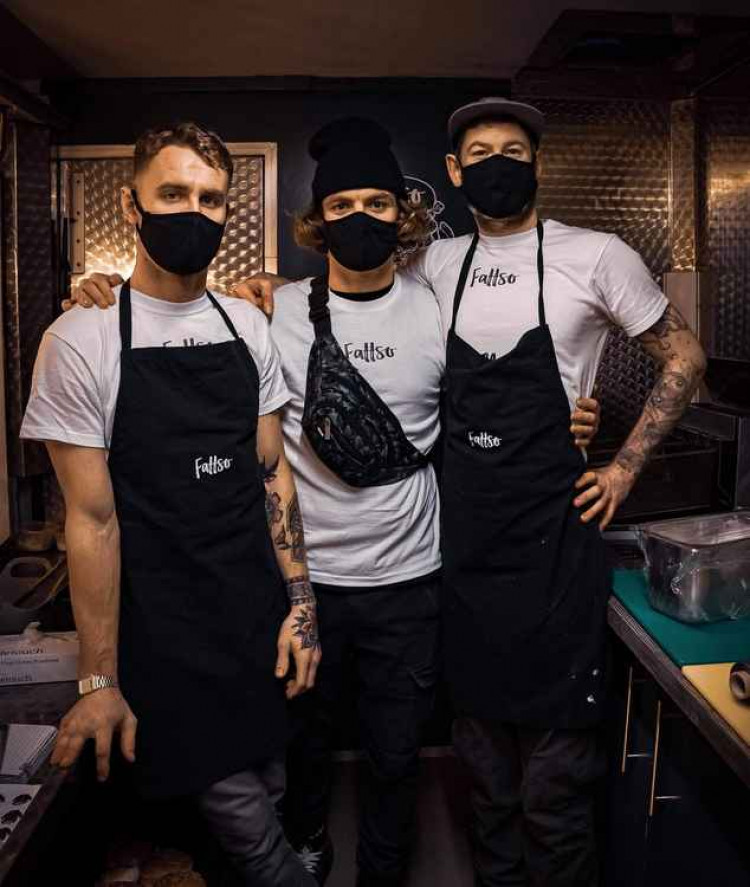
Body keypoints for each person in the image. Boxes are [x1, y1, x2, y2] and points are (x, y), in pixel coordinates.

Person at [66, 117, 601, 887]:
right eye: (342, 204)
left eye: (378, 203)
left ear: (403, 215)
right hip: (302, 587)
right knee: (302, 752)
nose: (361, 218)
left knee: (393, 756)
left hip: (412, 580)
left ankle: (383, 871)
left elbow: (505, 382)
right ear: (318, 221)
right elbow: (175, 312)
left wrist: (580, 413)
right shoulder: (264, 312)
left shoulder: (437, 304)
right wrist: (101, 291)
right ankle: (308, 854)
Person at [21, 122, 319, 886]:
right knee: (248, 829)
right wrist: (98, 679)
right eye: (173, 193)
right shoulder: (81, 337)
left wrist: (300, 604)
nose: (194, 211)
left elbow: (271, 472)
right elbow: (90, 521)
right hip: (164, 632)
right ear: (133, 204)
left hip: (254, 618)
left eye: (211, 198)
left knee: (272, 789)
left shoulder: (246, 323)